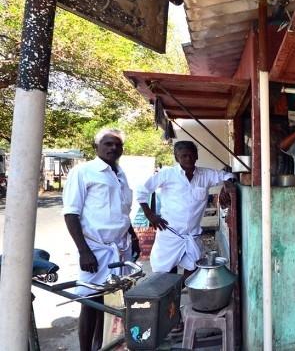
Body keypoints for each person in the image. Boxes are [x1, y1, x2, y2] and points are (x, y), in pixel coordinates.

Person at [63, 128, 140, 351]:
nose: (113, 148)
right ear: (96, 147)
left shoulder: (120, 173)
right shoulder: (84, 172)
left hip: (120, 248)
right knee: (90, 301)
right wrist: (83, 251)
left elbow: (123, 212)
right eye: (108, 144)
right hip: (95, 249)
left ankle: (100, 345)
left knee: (107, 300)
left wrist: (133, 237)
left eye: (117, 145)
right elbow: (71, 213)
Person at [136, 141, 235, 276]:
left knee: (194, 270)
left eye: (191, 155)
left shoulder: (205, 174)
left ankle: (180, 288)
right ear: (177, 158)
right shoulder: (167, 174)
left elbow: (228, 176)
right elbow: (142, 190)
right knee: (166, 273)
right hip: (169, 234)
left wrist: (226, 186)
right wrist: (150, 215)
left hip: (192, 235)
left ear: (196, 157)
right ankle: (172, 295)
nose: (188, 158)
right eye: (184, 156)